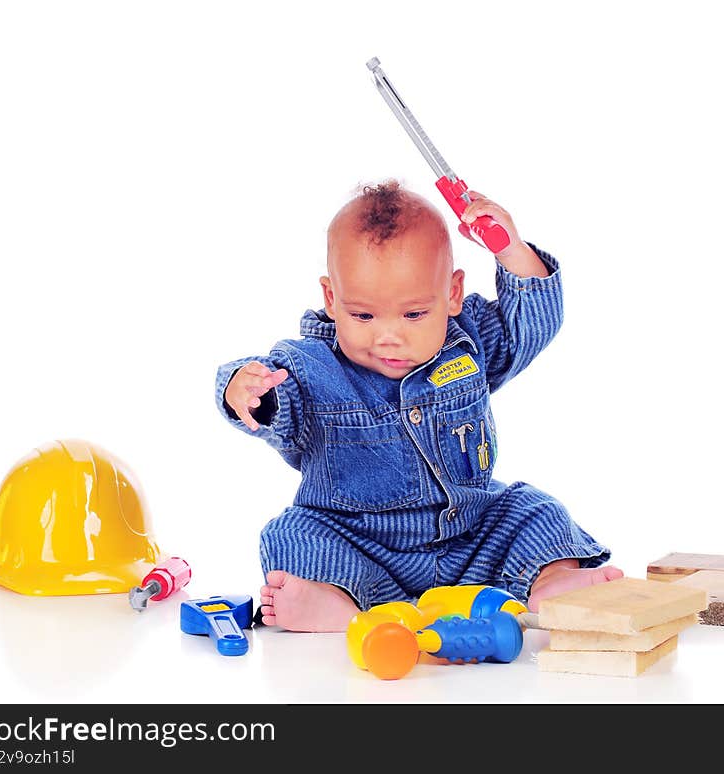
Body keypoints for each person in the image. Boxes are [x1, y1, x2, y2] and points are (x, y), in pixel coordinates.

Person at [215, 180, 623, 632]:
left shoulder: (466, 343)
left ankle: (549, 580)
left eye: (413, 315)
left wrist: (511, 251)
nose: (388, 336)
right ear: (331, 300)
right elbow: (277, 404)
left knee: (534, 510)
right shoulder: (309, 367)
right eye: (363, 316)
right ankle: (338, 604)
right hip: (361, 546)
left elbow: (528, 326)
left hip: (470, 538)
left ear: (451, 294)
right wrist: (246, 390)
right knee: (290, 535)